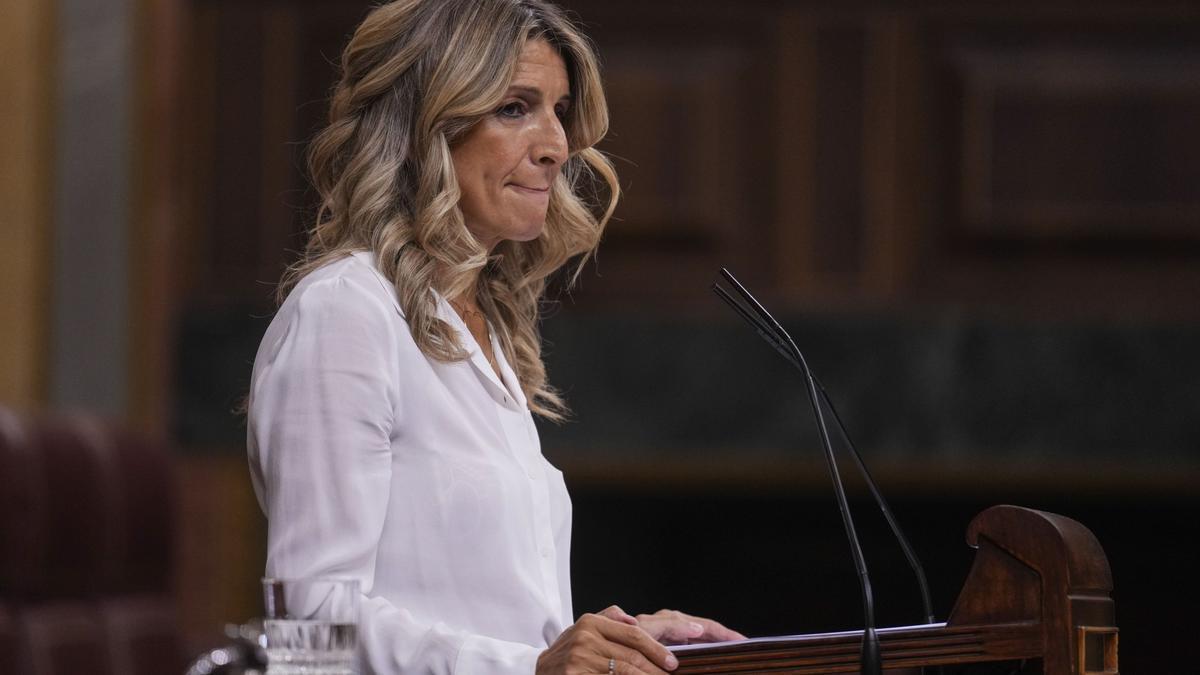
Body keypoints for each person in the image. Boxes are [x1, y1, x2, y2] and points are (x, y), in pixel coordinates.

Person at [245, 1, 744, 673]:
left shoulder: (484, 328)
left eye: (558, 110)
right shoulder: (346, 313)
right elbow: (309, 628)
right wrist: (533, 667)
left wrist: (619, 644)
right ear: (424, 126)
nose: (556, 145)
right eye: (514, 108)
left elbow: (480, 618)